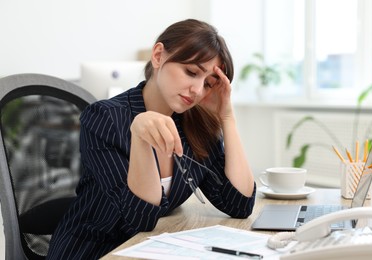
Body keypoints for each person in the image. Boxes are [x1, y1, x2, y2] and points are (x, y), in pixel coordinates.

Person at [47, 18, 256, 259]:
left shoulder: (196, 125)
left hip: (150, 249)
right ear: (158, 56)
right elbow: (140, 218)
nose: (197, 90)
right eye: (191, 72)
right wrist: (140, 138)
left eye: (208, 84)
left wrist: (226, 116)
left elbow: (239, 205)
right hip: (92, 250)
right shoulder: (104, 118)